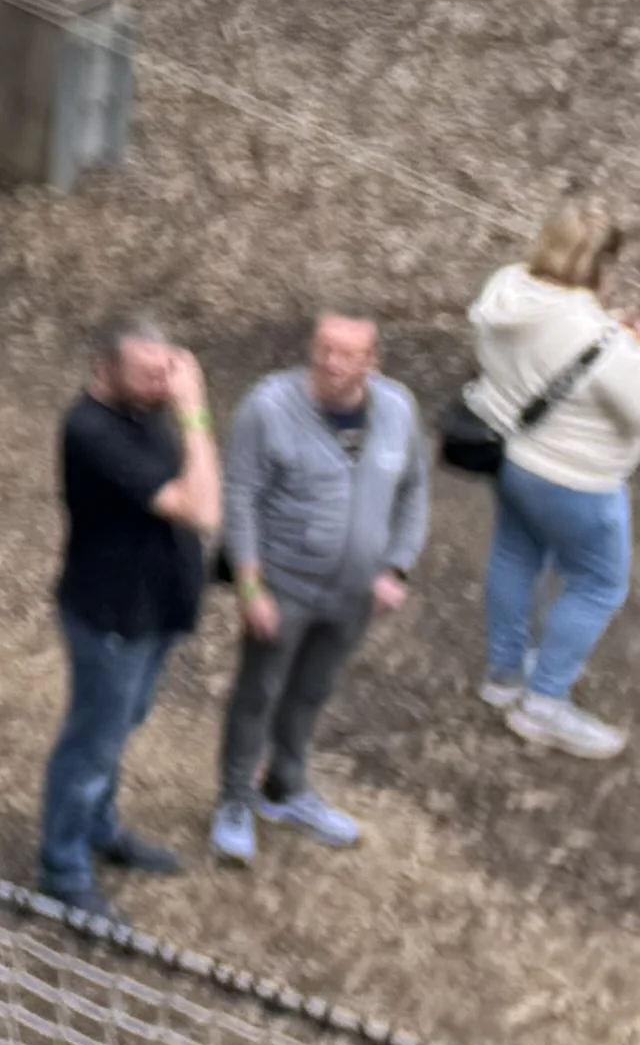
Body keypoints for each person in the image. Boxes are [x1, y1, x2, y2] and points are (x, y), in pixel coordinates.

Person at [211, 311, 428, 857]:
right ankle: (234, 800)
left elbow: (414, 490)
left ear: (372, 361)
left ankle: (285, 788)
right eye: (323, 349)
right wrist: (250, 586)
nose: (331, 363)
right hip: (284, 586)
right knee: (258, 692)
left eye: (346, 354)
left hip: (353, 595)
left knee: (311, 691)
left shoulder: (398, 409)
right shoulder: (268, 407)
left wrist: (397, 566)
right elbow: (240, 497)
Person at [41, 315, 220, 922]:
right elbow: (202, 510)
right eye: (145, 375)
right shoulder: (92, 430)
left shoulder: (145, 414)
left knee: (119, 728)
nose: (159, 387)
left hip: (153, 611)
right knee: (91, 745)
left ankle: (99, 827)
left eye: (166, 373)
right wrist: (195, 413)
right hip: (110, 618)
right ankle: (62, 869)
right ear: (105, 368)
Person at [472, 202, 638, 756]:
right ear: (602, 264)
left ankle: (503, 676)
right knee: (599, 584)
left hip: (512, 454)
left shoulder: (505, 290)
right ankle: (544, 705)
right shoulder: (601, 342)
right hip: (578, 479)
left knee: (515, 556)